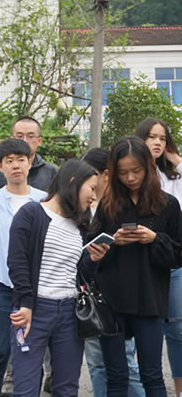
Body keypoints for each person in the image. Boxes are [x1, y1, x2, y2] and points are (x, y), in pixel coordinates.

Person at [8, 159, 109, 396]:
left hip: (69, 312)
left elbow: (79, 273)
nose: (94, 197)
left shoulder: (81, 225)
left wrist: (93, 260)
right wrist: (25, 303)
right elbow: (17, 262)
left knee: (67, 387)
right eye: (92, 188)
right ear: (74, 182)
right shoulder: (31, 214)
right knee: (25, 388)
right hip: (33, 310)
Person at [94, 136, 182, 396]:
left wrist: (155, 239)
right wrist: (113, 242)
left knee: (152, 374)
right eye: (123, 173)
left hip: (149, 298)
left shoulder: (167, 205)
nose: (130, 178)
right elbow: (90, 251)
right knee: (116, 376)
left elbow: (178, 254)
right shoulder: (108, 205)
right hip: (112, 299)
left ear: (149, 167)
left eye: (136, 171)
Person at [0, 138, 47, 397]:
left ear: (30, 163)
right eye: (9, 161)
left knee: (31, 353)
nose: (15, 165)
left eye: (21, 160)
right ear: (0, 167)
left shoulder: (43, 200)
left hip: (34, 289)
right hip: (0, 288)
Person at [80, 148, 145, 397]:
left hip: (117, 296)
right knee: (96, 364)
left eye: (91, 175)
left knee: (126, 363)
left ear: (106, 175)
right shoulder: (81, 206)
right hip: (89, 293)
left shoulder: (123, 207)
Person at [135, 118, 182, 397]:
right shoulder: (130, 175)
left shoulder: (173, 178)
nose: (157, 142)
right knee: (141, 330)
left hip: (172, 261)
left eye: (162, 138)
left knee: (177, 329)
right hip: (139, 264)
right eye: (151, 137)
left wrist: (177, 161)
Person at [0, 116, 57, 194]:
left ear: (39, 141)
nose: (24, 141)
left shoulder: (52, 172)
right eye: (19, 136)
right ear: (12, 139)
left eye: (30, 137)